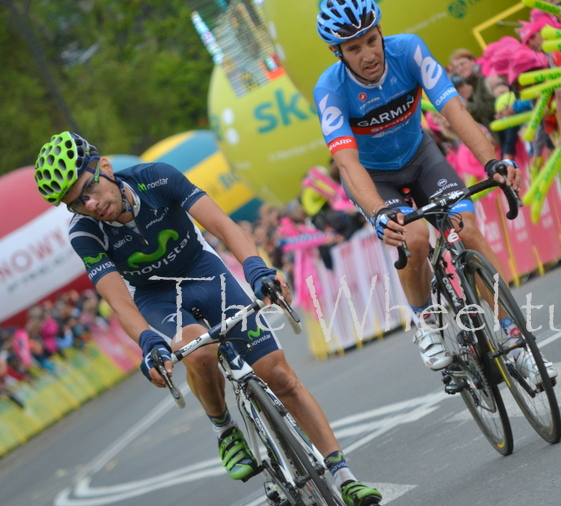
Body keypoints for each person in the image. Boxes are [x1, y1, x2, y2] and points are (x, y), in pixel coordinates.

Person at [32, 132, 381, 506]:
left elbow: (225, 226)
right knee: (199, 352)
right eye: (77, 203)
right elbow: (120, 303)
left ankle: (344, 476)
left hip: (205, 273)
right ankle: (225, 428)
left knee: (280, 375)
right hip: (157, 298)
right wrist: (149, 343)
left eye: (89, 189)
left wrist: (256, 269)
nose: (90, 204)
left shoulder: (158, 177)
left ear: (104, 167)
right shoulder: (85, 233)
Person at [313, 0, 557, 382]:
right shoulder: (331, 89)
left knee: (468, 229)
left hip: (421, 155)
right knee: (413, 239)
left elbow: (453, 109)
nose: (368, 54)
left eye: (372, 40)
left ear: (381, 33)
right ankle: (426, 321)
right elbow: (346, 161)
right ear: (337, 52)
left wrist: (491, 161)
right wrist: (380, 212)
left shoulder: (408, 51)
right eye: (354, 48)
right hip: (375, 178)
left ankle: (516, 338)